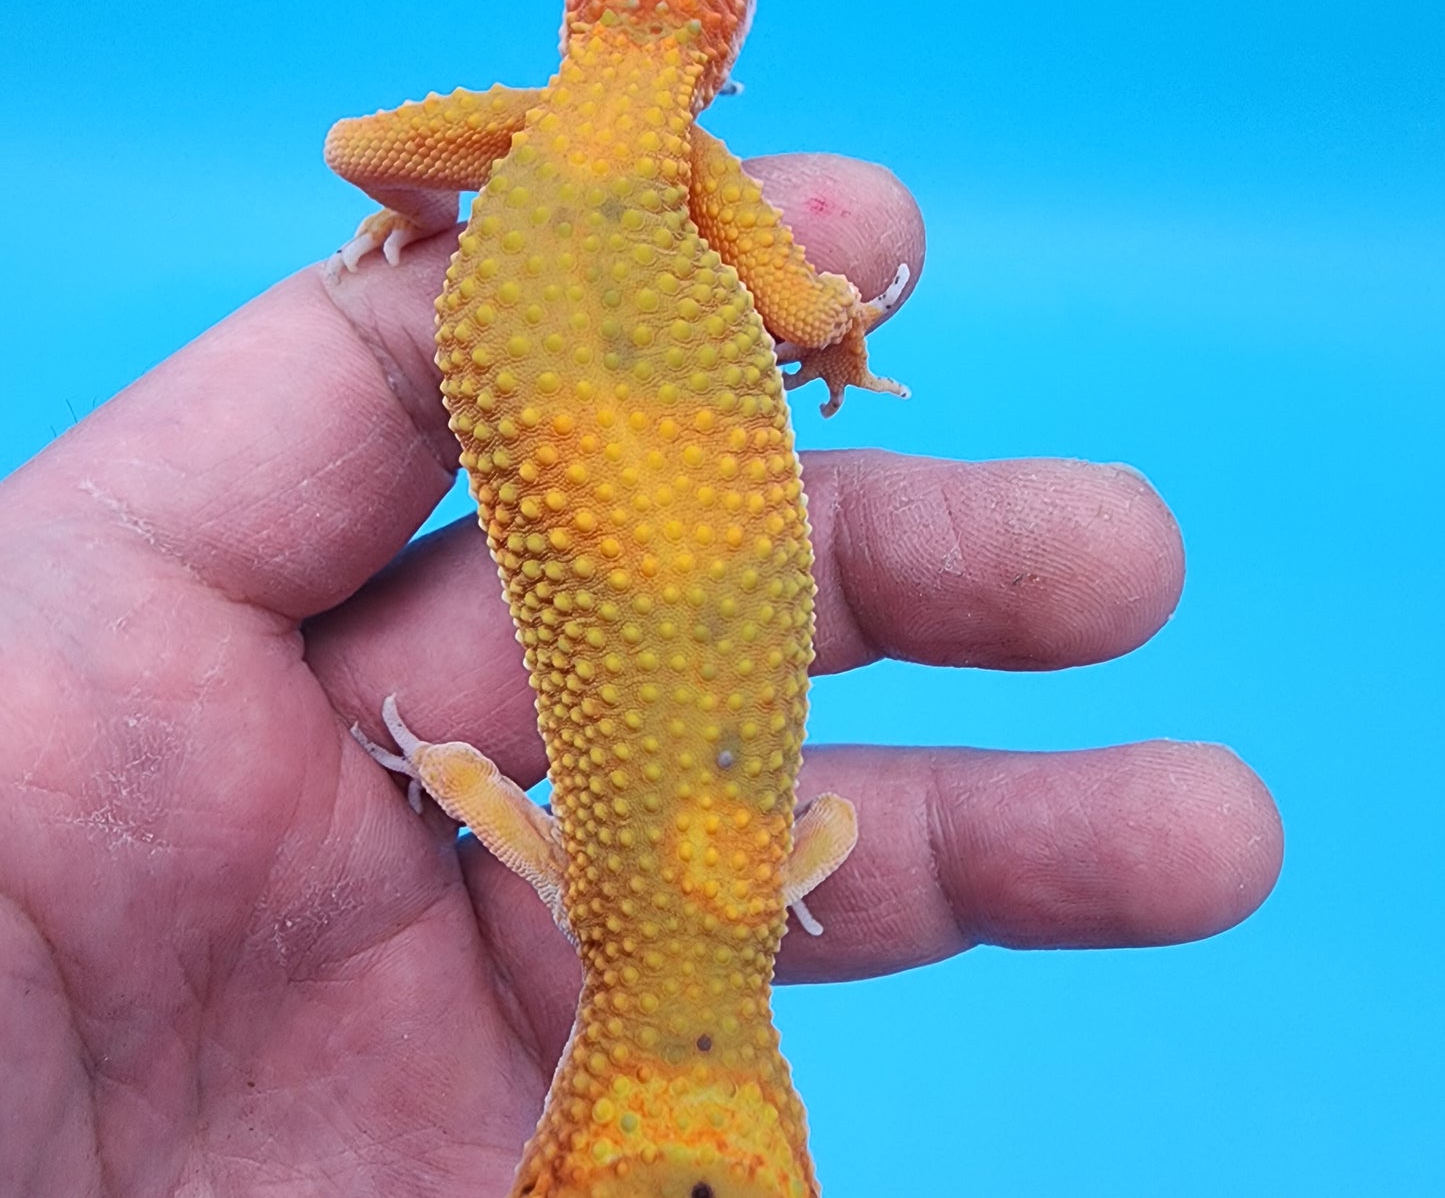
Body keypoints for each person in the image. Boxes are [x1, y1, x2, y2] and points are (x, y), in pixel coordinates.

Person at [0, 153, 1281, 1193]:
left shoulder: (744, 894)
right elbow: (487, 795)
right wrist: (429, 763)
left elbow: (817, 827)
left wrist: (772, 870)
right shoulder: (604, 910)